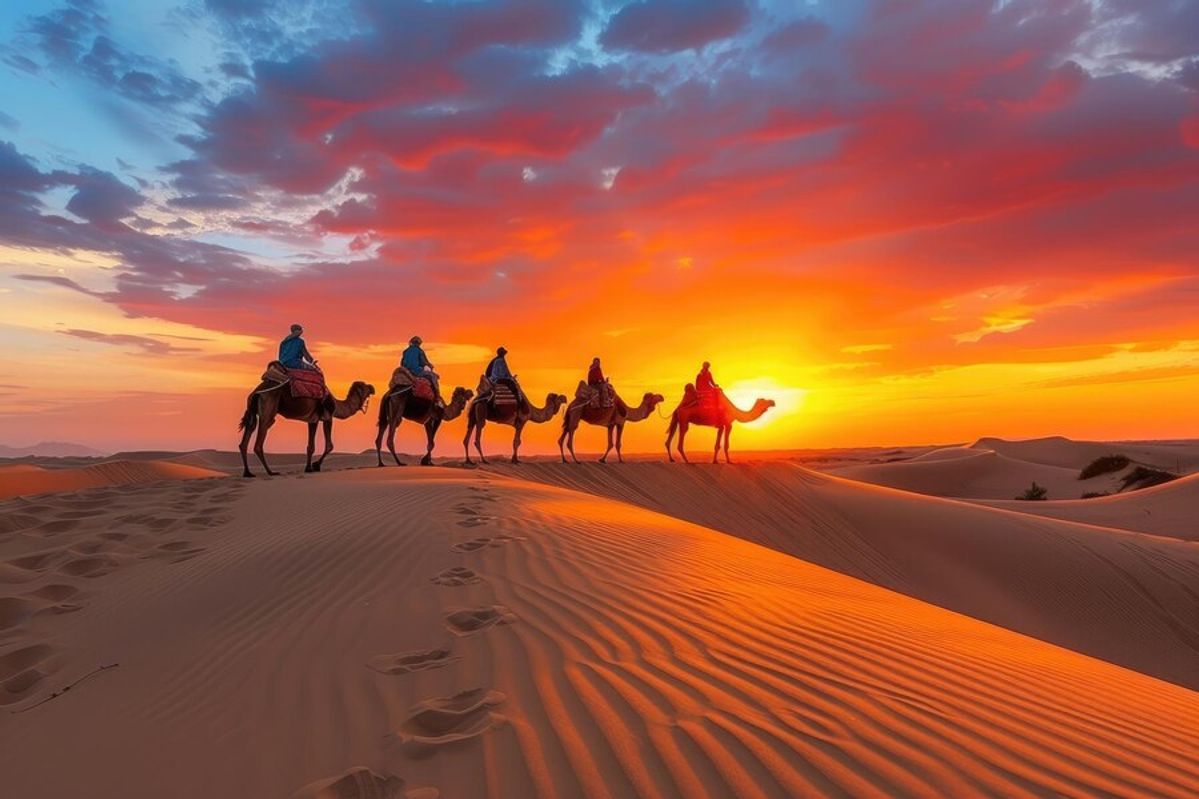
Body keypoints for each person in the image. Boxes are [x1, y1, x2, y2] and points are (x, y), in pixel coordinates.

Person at [401, 335, 441, 403]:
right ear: (418, 343)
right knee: (433, 376)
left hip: (406, 372)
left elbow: (402, 363)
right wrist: (430, 366)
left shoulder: (405, 351)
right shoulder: (420, 351)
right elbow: (424, 362)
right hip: (417, 371)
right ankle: (437, 398)